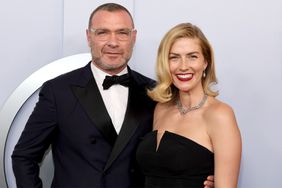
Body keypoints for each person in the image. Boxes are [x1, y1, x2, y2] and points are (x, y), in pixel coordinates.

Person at [12, 3, 214, 188]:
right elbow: (23, 157)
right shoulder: (58, 91)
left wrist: (204, 180)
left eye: (122, 33)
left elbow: (180, 154)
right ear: (88, 37)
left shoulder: (155, 93)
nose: (113, 42)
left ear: (133, 37)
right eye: (102, 33)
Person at [136, 23, 242, 188]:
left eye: (192, 56)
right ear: (165, 63)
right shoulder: (160, 108)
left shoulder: (220, 114)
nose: (183, 66)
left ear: (205, 62)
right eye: (174, 57)